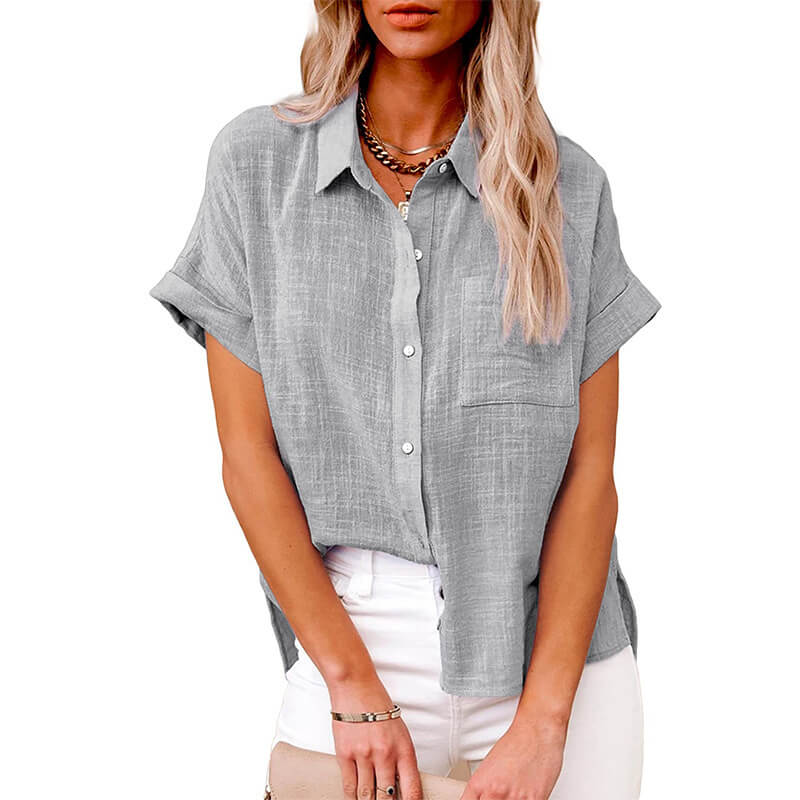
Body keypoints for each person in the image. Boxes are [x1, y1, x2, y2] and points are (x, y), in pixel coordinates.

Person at [148, 1, 662, 798]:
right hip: (354, 640)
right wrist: (350, 684)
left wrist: (544, 721)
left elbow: (589, 474)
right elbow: (247, 454)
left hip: (556, 663)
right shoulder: (255, 165)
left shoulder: (570, 187)